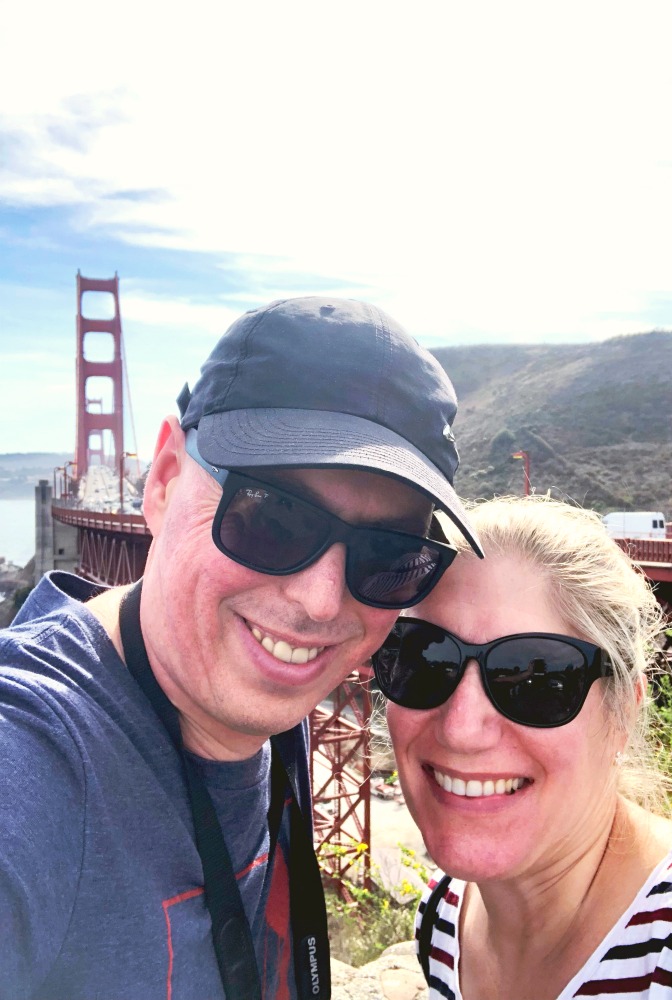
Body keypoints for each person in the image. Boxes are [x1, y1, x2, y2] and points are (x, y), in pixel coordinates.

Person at [0, 296, 483, 1000]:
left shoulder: (259, 720)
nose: (320, 601)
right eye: (272, 517)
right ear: (163, 481)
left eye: (388, 553)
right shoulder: (34, 754)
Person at [373, 495, 672, 1000]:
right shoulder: (442, 921)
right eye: (424, 660)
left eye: (537, 680)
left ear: (624, 711)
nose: (461, 728)